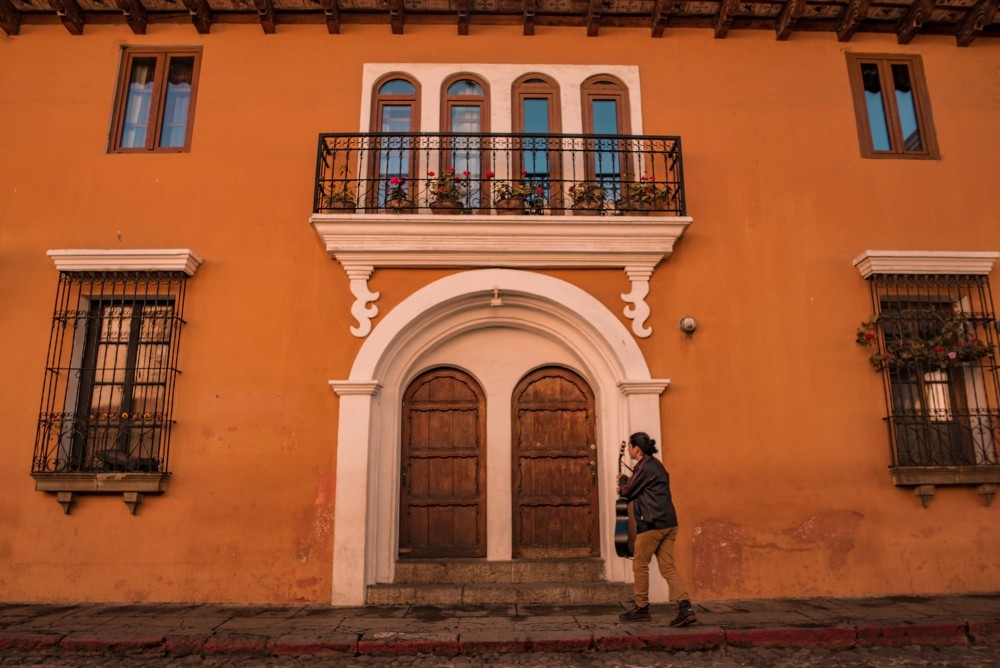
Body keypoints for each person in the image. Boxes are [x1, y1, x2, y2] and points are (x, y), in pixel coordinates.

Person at [617, 431, 697, 626]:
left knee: (639, 565)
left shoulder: (645, 468)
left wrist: (623, 481)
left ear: (636, 448)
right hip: (668, 523)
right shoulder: (653, 465)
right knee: (667, 566)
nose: (629, 450)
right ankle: (685, 608)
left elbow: (628, 491)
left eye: (630, 446)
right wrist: (627, 481)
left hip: (652, 524)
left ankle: (642, 608)